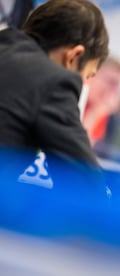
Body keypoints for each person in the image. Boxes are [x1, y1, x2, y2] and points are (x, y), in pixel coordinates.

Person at [0, 0, 109, 196]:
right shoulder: (54, 81)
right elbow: (87, 187)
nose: (82, 85)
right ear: (74, 56)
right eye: (86, 76)